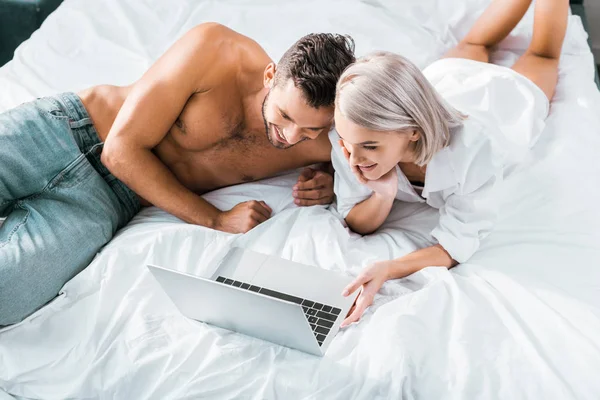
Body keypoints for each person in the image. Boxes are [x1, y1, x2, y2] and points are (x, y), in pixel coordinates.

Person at [0, 24, 356, 326]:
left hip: (109, 200)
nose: (291, 137)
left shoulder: (329, 141)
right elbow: (120, 151)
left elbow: (402, 156)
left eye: (310, 130)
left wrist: (330, 178)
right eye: (285, 115)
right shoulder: (217, 49)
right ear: (269, 76)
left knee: (8, 295)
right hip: (66, 130)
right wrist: (216, 220)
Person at [331, 0, 568, 327]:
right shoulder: (354, 131)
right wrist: (382, 195)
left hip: (503, 104)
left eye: (369, 147)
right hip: (447, 80)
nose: (353, 159)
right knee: (474, 44)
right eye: (348, 143)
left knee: (543, 55)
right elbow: (356, 219)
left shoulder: (474, 156)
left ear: (411, 131)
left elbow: (453, 248)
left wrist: (390, 268)